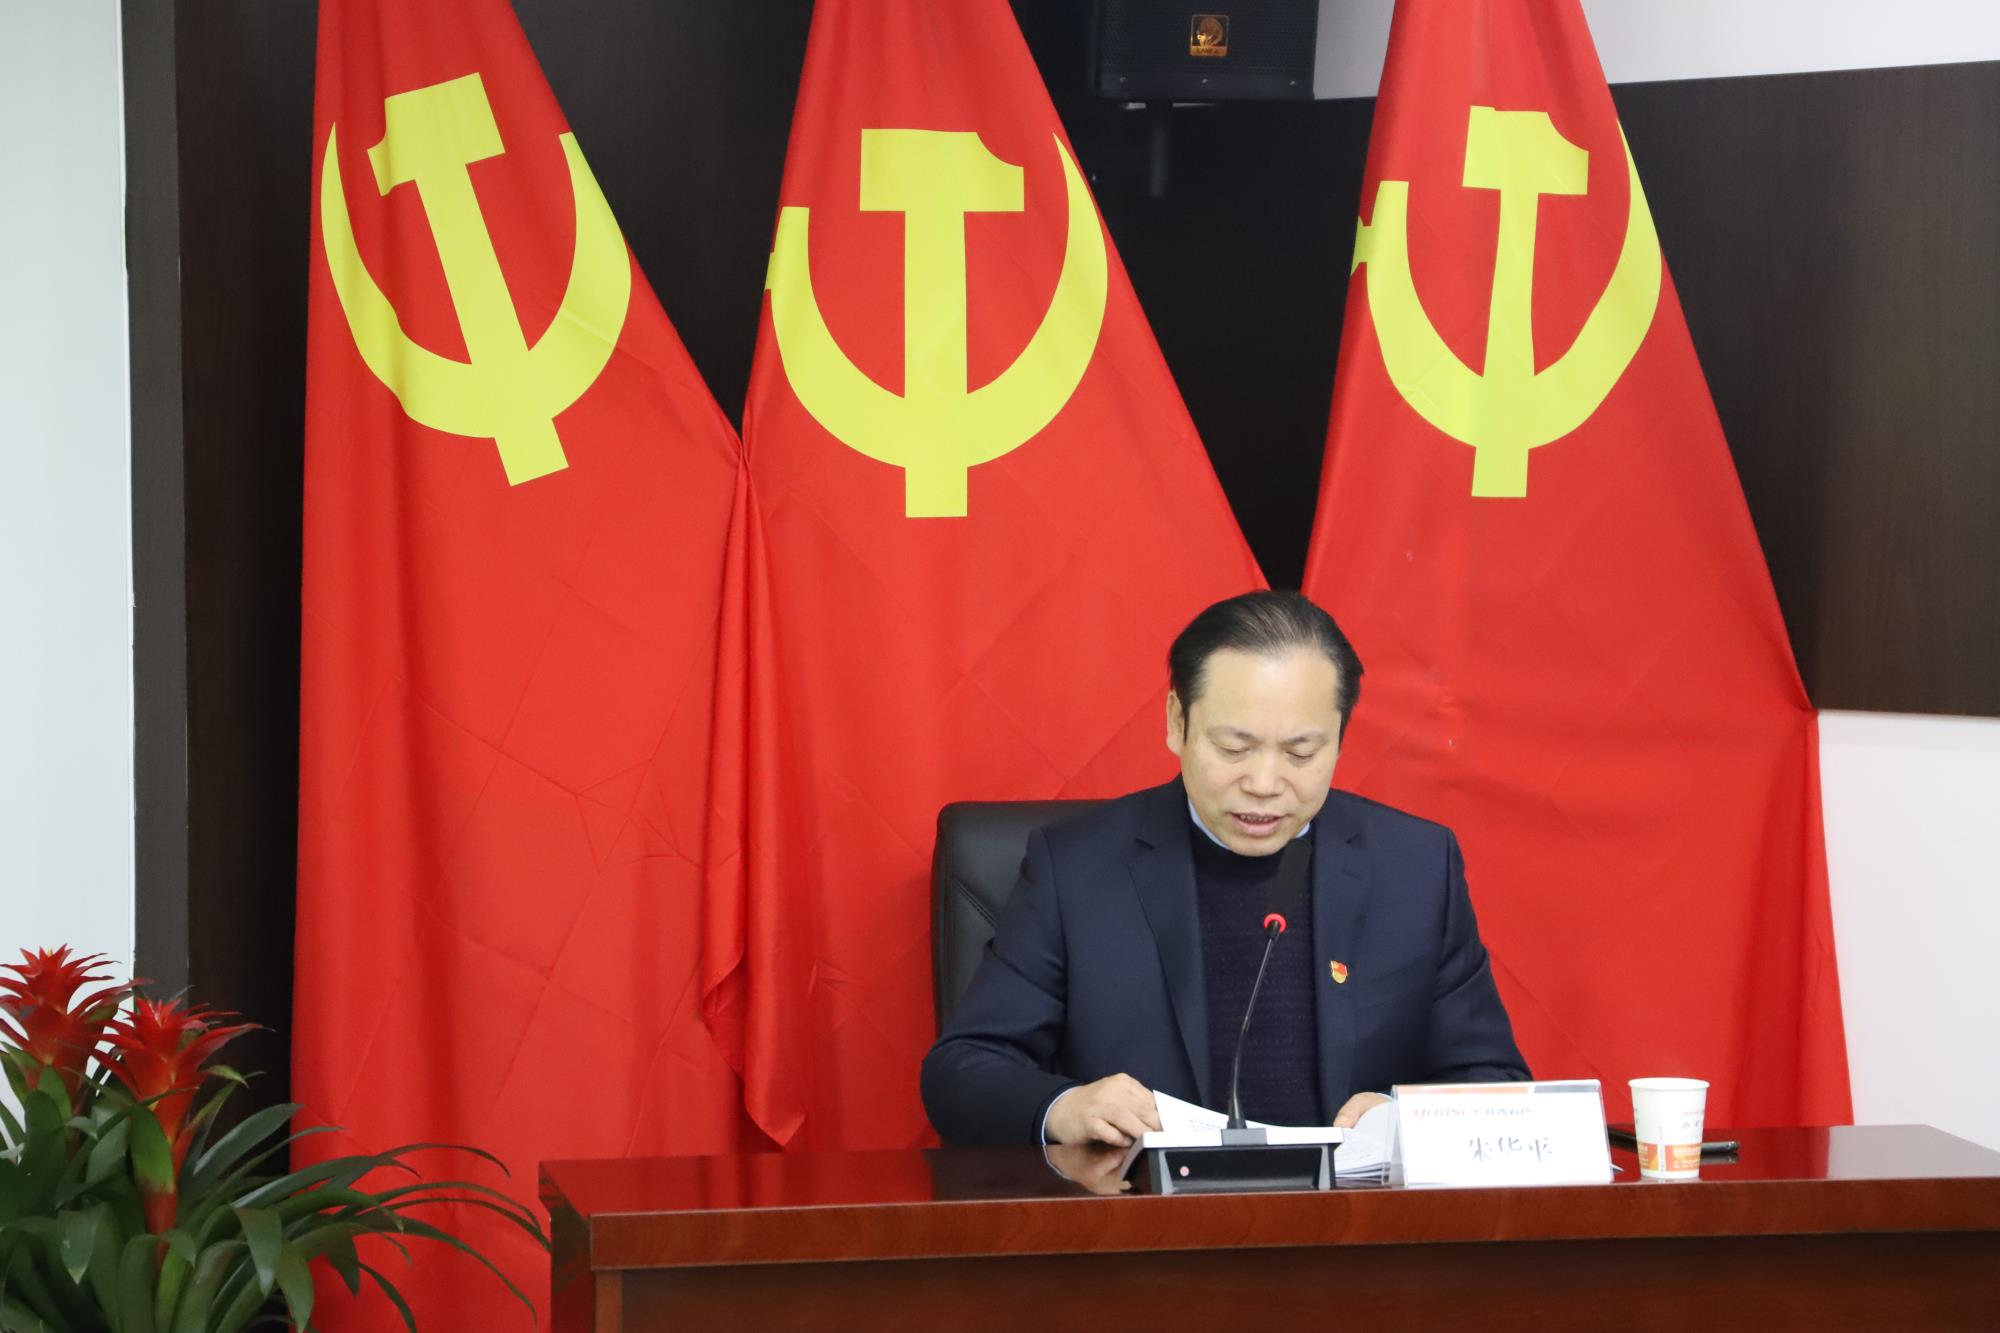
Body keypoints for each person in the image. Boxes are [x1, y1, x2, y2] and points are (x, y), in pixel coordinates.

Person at [921, 590, 1529, 1147]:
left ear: (1341, 737)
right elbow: (963, 1070)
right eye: (1234, 748)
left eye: (1301, 752)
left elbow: (1494, 1081)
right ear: (1176, 722)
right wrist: (1065, 1107)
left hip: (1354, 1222)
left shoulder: (1415, 867)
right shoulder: (1078, 868)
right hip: (1149, 1220)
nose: (1264, 783)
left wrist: (1408, 1119)